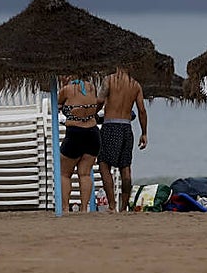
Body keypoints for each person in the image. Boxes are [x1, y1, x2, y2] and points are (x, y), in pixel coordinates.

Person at [96, 66, 148, 213]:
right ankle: (124, 207)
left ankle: (112, 205)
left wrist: (93, 113)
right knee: (125, 168)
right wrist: (144, 133)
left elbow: (100, 100)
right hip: (127, 127)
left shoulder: (109, 80)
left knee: (104, 164)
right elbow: (142, 110)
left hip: (111, 126)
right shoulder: (135, 85)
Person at [57, 75, 102, 212]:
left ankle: (65, 208)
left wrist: (62, 85)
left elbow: (58, 104)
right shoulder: (92, 88)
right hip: (93, 133)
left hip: (75, 133)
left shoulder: (67, 90)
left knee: (64, 173)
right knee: (85, 174)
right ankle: (84, 208)